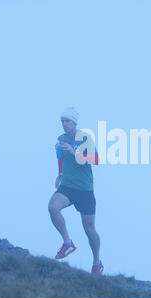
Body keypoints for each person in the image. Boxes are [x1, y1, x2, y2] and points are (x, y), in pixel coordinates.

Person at [47, 107, 103, 274]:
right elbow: (60, 158)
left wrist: (74, 152)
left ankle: (96, 262)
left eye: (67, 121)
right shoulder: (60, 140)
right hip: (67, 187)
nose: (64, 124)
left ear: (74, 122)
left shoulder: (85, 138)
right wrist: (60, 174)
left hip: (85, 190)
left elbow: (96, 160)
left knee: (89, 230)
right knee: (52, 207)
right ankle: (67, 243)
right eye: (62, 121)